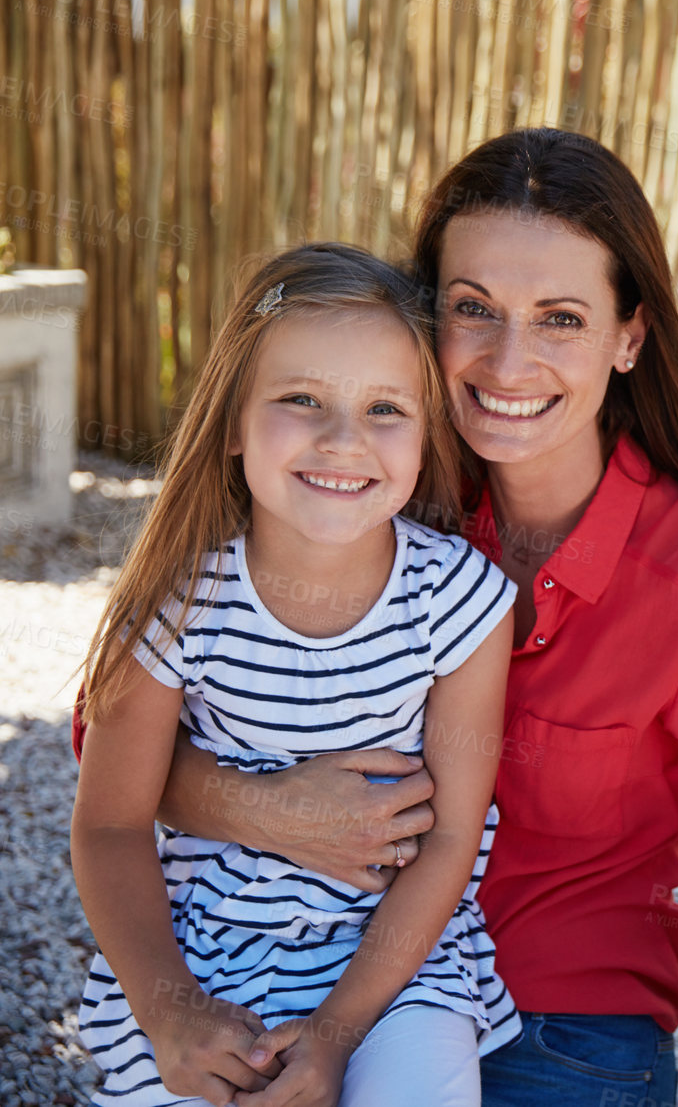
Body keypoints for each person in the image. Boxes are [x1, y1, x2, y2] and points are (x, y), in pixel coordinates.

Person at [112, 130, 678, 1107]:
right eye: (474, 309)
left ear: (629, 336)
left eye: (560, 317)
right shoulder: (363, 481)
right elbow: (116, 739)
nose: (510, 360)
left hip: (558, 1013)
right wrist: (266, 807)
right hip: (305, 959)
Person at [71, 244, 518, 1106]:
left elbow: (452, 841)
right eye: (302, 399)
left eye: (386, 408)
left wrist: (337, 1032)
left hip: (393, 975)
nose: (343, 440)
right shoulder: (177, 603)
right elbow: (110, 827)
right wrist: (172, 1015)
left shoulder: (459, 603)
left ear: (427, 441)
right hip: (199, 959)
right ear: (234, 424)